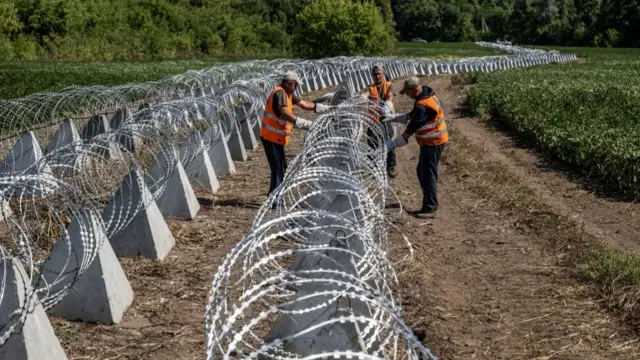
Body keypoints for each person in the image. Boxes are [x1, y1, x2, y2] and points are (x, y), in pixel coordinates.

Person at [260, 71, 330, 199]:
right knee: (278, 169)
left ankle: (273, 195)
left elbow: (304, 104)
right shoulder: (280, 93)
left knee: (281, 167)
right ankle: (275, 198)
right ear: (289, 83)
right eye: (295, 85)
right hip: (270, 137)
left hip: (276, 137)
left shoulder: (288, 93)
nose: (296, 87)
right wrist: (305, 124)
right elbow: (285, 113)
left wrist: (327, 108)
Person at [385, 77, 448, 218]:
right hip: (432, 142)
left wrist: (393, 144)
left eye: (407, 92)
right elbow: (411, 116)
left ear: (414, 90)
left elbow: (411, 128)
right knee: (422, 171)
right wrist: (393, 118)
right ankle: (429, 202)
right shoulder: (426, 95)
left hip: (433, 142)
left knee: (427, 174)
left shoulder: (422, 105)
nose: (407, 95)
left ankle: (430, 207)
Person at [367, 66, 397, 178]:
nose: (377, 76)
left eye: (379, 73)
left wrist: (388, 103)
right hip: (373, 120)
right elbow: (365, 94)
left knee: (389, 143)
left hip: (387, 119)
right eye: (375, 74)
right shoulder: (370, 88)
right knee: (372, 144)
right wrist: (362, 97)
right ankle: (373, 168)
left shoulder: (389, 85)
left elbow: (390, 95)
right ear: (372, 76)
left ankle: (391, 166)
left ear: (383, 74)